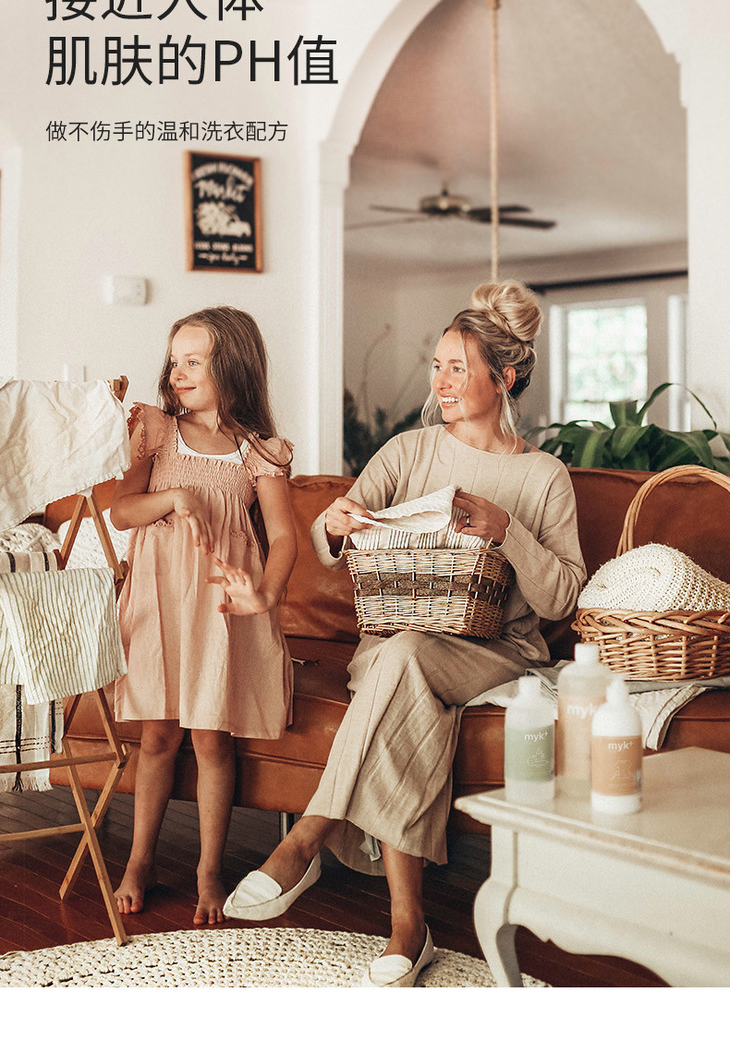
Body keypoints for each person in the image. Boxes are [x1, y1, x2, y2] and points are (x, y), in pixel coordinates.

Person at [221, 280, 586, 985]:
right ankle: (407, 926)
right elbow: (331, 533)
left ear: (505, 378)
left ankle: (309, 835)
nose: (440, 381)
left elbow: (564, 597)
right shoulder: (408, 452)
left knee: (407, 659)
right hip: (392, 644)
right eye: (437, 366)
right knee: (406, 670)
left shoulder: (544, 476)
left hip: (496, 650)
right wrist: (336, 523)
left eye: (458, 368)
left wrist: (506, 532)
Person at [111, 306, 297, 925]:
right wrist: (172, 496)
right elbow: (123, 511)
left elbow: (284, 538)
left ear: (233, 367)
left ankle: (208, 870)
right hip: (160, 602)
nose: (178, 372)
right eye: (175, 361)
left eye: (194, 361)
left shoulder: (259, 451)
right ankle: (140, 860)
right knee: (158, 736)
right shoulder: (158, 432)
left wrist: (265, 594)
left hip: (219, 609)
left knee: (214, 740)